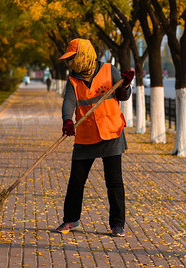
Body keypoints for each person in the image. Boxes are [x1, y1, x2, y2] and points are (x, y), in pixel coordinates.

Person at [56, 38, 135, 237]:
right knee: (76, 180)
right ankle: (71, 220)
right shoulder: (73, 79)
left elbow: (123, 96)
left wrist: (125, 84)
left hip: (111, 131)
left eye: (73, 57)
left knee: (114, 181)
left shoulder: (110, 70)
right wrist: (67, 120)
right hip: (86, 134)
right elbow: (69, 101)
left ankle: (117, 224)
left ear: (84, 54)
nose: (71, 62)